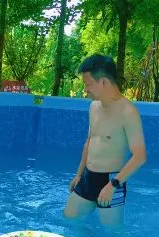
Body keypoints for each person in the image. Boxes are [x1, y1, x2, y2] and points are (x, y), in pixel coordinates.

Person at [63, 54, 147, 226]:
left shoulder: (128, 112)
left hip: (112, 180)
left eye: (88, 84)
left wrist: (113, 185)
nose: (85, 90)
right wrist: (79, 175)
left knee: (112, 235)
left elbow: (140, 156)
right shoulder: (94, 107)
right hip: (88, 177)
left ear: (103, 82)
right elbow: (89, 142)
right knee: (69, 220)